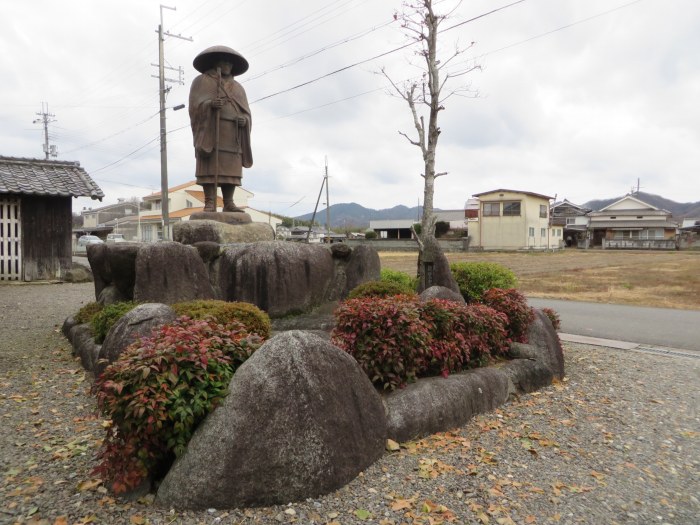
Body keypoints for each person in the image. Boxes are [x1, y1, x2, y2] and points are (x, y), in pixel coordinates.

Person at [189, 45, 253, 212]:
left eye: (230, 63)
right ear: (216, 62)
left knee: (231, 167)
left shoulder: (238, 87)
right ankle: (209, 202)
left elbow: (246, 112)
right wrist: (209, 104)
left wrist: (244, 120)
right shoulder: (202, 81)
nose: (228, 65)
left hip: (233, 135)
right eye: (224, 62)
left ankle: (229, 202)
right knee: (210, 165)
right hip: (211, 132)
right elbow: (194, 107)